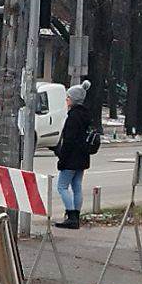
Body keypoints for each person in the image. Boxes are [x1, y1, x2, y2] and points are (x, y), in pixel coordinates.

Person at [55, 82, 94, 229]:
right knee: (77, 186)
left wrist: (62, 159)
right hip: (83, 157)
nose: (66, 100)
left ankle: (71, 216)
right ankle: (76, 215)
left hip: (71, 158)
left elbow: (69, 141)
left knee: (62, 186)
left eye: (68, 98)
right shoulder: (85, 115)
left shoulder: (73, 117)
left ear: (73, 99)